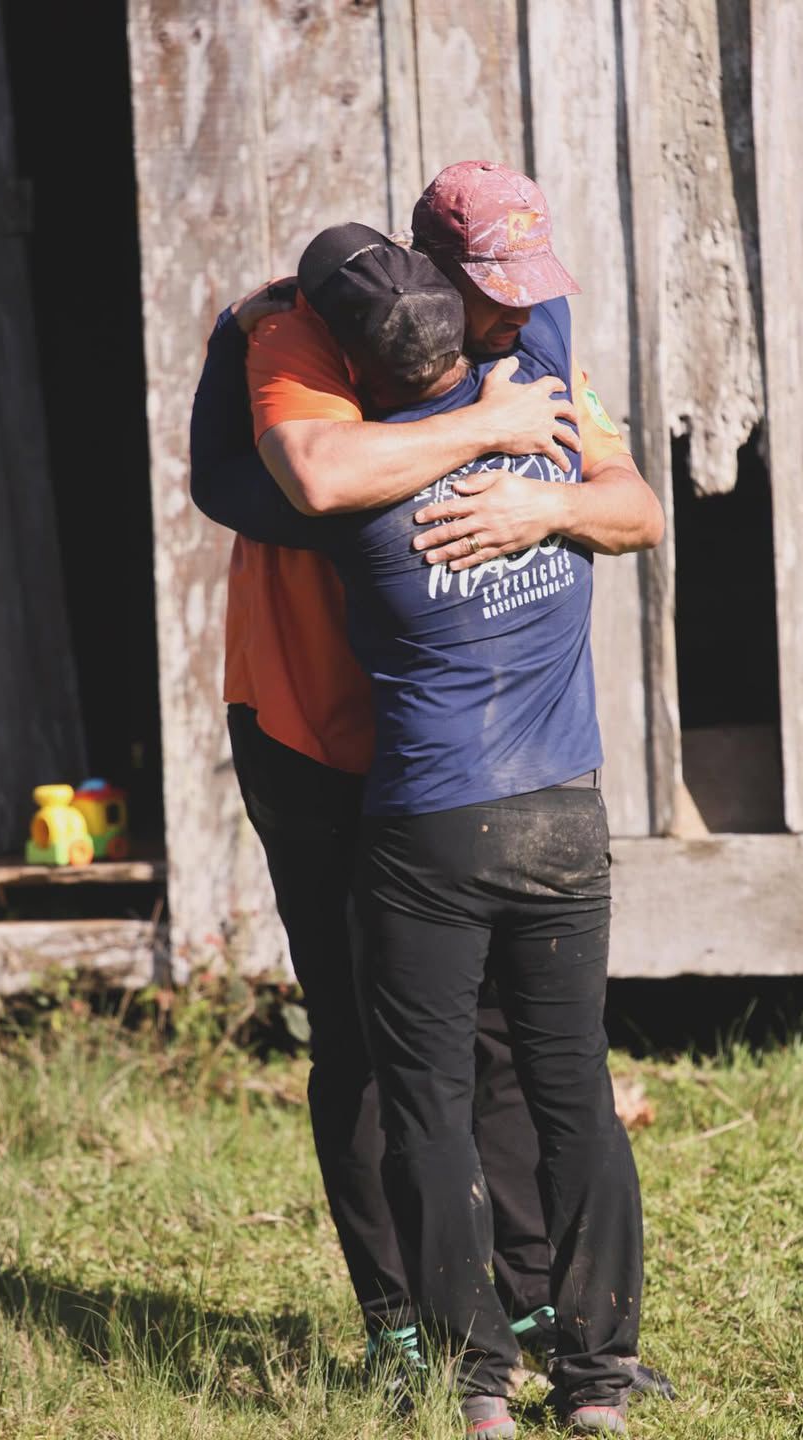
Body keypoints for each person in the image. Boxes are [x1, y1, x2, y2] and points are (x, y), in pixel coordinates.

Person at [191, 162, 672, 1402]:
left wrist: (541, 505)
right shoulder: (295, 335)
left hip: (460, 758)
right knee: (369, 1043)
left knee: (508, 1038)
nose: (521, 312)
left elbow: (623, 495)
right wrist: (494, 435)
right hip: (316, 728)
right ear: (430, 281)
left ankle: (537, 1305)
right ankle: (408, 1327)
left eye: (530, 288)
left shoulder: (526, 326)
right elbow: (309, 480)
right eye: (494, 292)